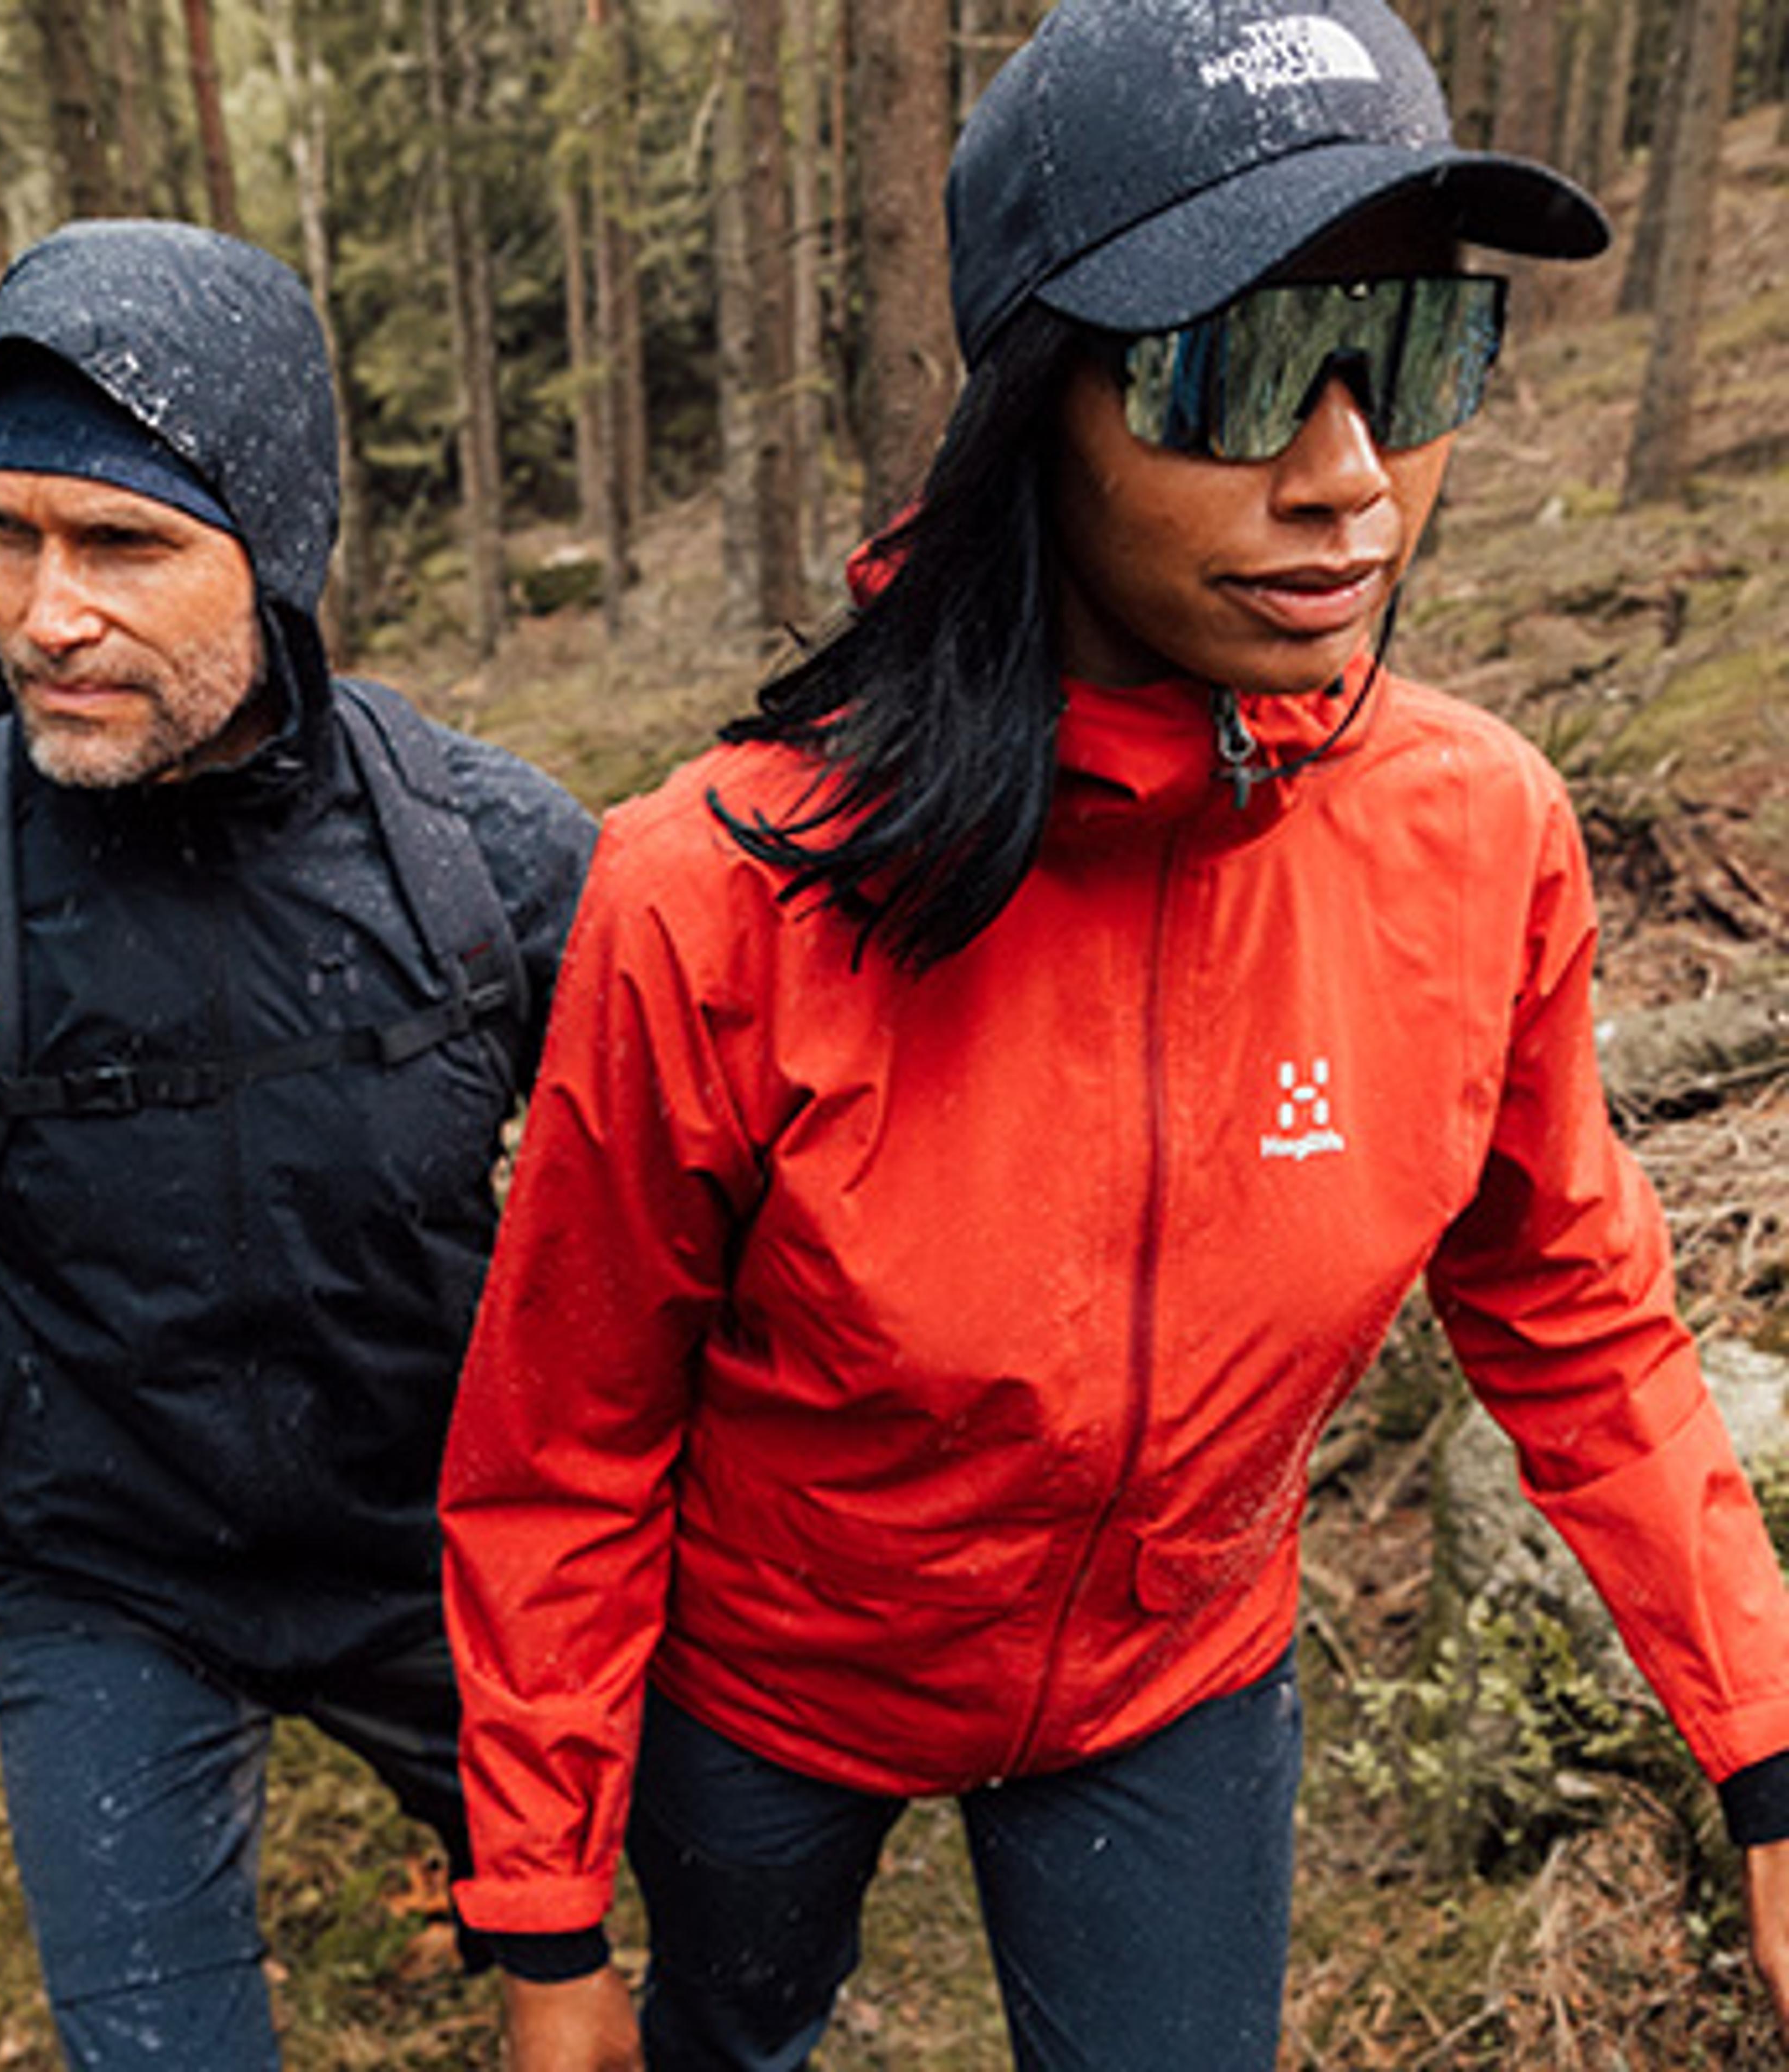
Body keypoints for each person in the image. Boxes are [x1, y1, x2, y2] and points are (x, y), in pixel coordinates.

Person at [437, 4, 1789, 2067]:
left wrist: (1769, 1753)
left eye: (1415, 357)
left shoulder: (1478, 830)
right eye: (1237, 367)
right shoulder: (714, 894)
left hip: (1178, 1687)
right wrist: (545, 1930)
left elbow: (1581, 1319)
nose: (1348, 477)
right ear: (1032, 406)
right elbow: (565, 1440)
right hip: (776, 1692)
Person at [0, 219, 594, 2069]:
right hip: (94, 1581)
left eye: (123, 542)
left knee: (622, 1975)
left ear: (275, 554)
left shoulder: (493, 861)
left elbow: (682, 1229)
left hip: (430, 1552)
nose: (44, 610)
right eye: (4, 531)